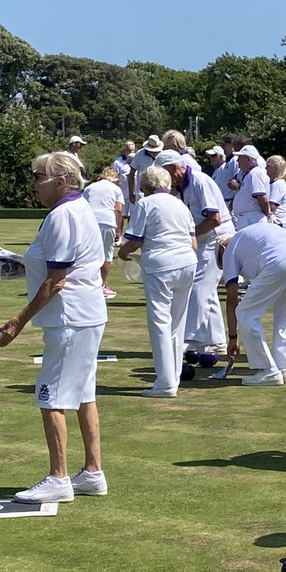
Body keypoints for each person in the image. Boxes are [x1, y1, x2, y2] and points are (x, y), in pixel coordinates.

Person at [0, 151, 107, 502]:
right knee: (84, 393)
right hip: (84, 312)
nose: (33, 182)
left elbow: (56, 281)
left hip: (69, 316)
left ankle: (58, 478)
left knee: (50, 395)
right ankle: (92, 472)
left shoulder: (62, 215)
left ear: (61, 181)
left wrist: (18, 322)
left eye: (37, 176)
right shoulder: (77, 210)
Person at [118, 166, 197, 397]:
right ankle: (173, 377)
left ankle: (165, 383)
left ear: (145, 187)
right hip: (187, 263)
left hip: (161, 265)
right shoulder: (180, 204)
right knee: (177, 323)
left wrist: (122, 254)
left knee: (160, 323)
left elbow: (135, 239)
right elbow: (193, 244)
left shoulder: (145, 203)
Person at [220, 221, 286, 385]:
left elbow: (232, 297)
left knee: (245, 313)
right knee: (284, 315)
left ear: (222, 248)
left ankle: (268, 370)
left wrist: (233, 338)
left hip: (283, 259)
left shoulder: (229, 250)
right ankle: (282, 368)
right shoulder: (253, 234)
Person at [154, 149, 234, 351]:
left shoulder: (199, 181)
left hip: (217, 236)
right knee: (207, 289)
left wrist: (189, 236)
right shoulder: (179, 186)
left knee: (199, 286)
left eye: (164, 173)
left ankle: (192, 338)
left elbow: (214, 219)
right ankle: (216, 340)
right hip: (203, 237)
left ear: (173, 168)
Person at [83, 166, 123, 297]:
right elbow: (118, 210)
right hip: (107, 221)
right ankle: (101, 286)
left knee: (87, 254)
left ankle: (86, 284)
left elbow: (81, 206)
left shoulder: (90, 187)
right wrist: (119, 230)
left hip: (89, 221)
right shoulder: (116, 189)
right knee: (106, 255)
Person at [232, 144, 273, 228]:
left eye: (240, 158)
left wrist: (267, 214)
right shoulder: (248, 174)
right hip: (248, 218)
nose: (237, 160)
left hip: (252, 219)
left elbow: (261, 197)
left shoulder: (255, 173)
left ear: (248, 159)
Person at [127, 134, 163, 204]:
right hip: (142, 193)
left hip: (159, 191)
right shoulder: (140, 154)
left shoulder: (162, 154)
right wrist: (131, 193)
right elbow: (131, 174)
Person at [111, 141, 136, 228]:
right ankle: (119, 235)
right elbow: (113, 178)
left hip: (135, 192)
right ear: (124, 150)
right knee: (121, 215)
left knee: (133, 215)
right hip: (123, 192)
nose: (131, 152)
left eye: (132, 150)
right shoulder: (118, 163)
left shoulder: (137, 160)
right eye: (129, 150)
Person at [266, 154, 286, 228]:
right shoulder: (271, 183)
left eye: (268, 166)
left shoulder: (278, 184)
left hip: (278, 222)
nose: (265, 168)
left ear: (276, 169)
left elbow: (271, 207)